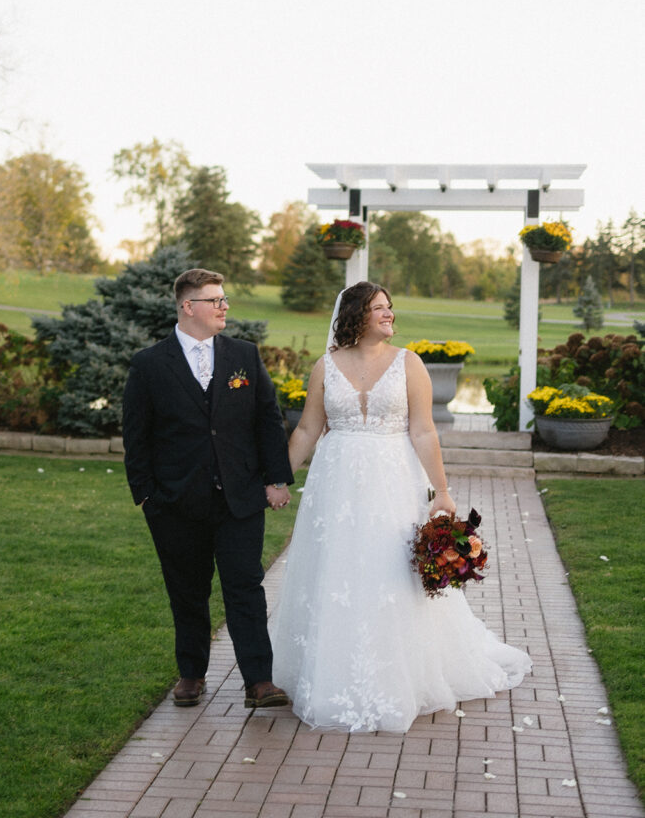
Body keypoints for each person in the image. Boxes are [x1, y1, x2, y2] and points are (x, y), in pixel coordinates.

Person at [271, 281, 531, 733]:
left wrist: (443, 492)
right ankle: (331, 668)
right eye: (378, 309)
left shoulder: (409, 364)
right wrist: (279, 477)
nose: (389, 315)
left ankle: (404, 672)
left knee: (392, 569)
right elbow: (309, 430)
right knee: (339, 571)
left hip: (393, 482)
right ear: (356, 316)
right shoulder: (325, 367)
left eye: (390, 307)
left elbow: (424, 431)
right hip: (336, 488)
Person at [122, 267, 294, 709]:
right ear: (188, 306)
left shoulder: (243, 354)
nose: (224, 307)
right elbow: (136, 435)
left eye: (224, 299)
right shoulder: (149, 364)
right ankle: (191, 675)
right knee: (187, 591)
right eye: (215, 300)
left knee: (246, 588)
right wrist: (145, 495)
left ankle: (259, 681)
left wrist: (276, 479)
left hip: (240, 498)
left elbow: (267, 419)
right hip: (175, 502)